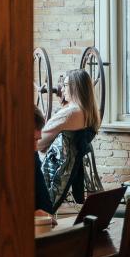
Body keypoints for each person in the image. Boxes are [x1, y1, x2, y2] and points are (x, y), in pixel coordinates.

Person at [39, 69, 102, 207]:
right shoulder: (90, 114)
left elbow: (39, 142)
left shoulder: (70, 113)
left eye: (66, 84)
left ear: (75, 87)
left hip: (50, 169)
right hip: (67, 170)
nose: (62, 88)